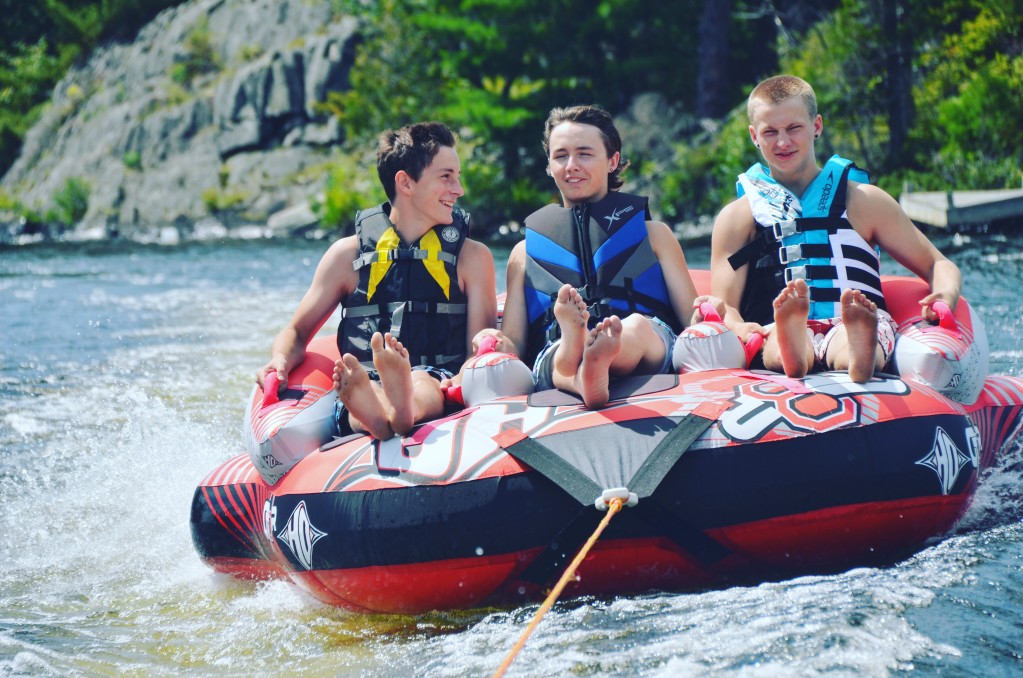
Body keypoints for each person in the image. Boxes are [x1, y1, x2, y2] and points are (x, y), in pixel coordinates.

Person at [707, 75, 962, 383]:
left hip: (851, 317)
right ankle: (796, 343)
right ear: (754, 136)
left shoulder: (865, 201)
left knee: (849, 335)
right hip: (777, 329)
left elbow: (938, 263)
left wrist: (945, 295)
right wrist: (738, 327)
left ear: (816, 126)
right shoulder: (737, 218)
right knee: (775, 342)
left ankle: (858, 346)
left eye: (794, 128)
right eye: (770, 132)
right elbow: (726, 306)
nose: (783, 141)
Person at [256, 122, 497, 439]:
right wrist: (280, 360)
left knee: (423, 382)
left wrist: (463, 379)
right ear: (405, 183)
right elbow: (297, 332)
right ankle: (381, 412)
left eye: (458, 176)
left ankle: (396, 411)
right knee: (362, 385)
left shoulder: (471, 258)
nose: (459, 189)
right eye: (446, 177)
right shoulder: (347, 256)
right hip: (367, 377)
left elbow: (477, 350)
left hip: (437, 381)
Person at [484, 104, 709, 409]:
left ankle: (595, 355)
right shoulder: (523, 253)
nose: (571, 165)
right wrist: (495, 342)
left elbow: (689, 319)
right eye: (561, 155)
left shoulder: (654, 234)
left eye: (584, 154)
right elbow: (516, 342)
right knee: (559, 350)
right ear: (549, 165)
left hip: (644, 344)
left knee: (636, 327)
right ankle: (582, 361)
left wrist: (708, 312)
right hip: (557, 350)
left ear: (612, 160)